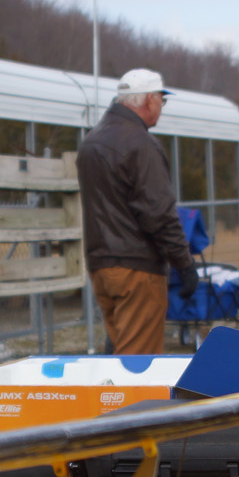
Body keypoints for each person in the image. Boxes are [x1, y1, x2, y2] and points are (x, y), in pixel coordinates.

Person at [76, 68, 197, 355]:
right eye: (161, 100)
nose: (161, 107)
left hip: (101, 266)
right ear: (149, 100)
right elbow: (159, 214)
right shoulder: (141, 144)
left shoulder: (92, 140)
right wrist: (185, 265)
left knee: (117, 357)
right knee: (137, 365)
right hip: (137, 269)